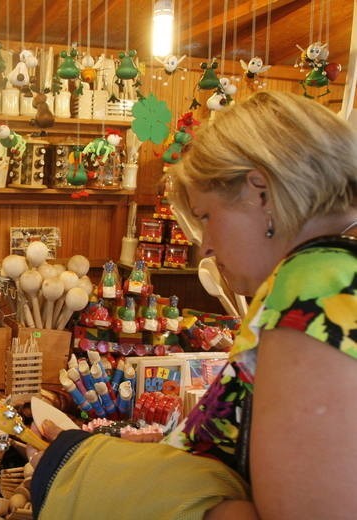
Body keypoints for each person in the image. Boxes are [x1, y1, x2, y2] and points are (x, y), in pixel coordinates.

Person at [31, 90, 357, 519]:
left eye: (206, 217)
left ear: (260, 192)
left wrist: (127, 482)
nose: (205, 247)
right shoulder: (333, 276)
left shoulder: (314, 286)